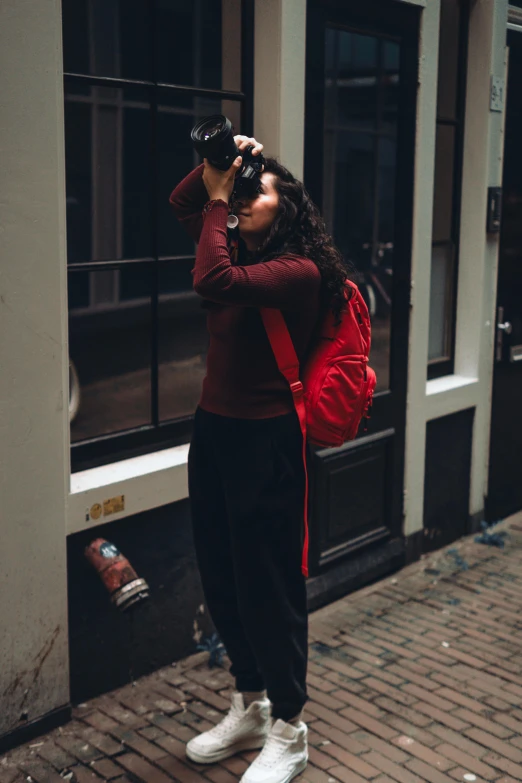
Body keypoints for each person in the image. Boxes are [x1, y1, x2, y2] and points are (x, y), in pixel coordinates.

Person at [169, 135, 348, 783]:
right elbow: (183, 199)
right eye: (241, 191)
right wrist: (222, 164)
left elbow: (209, 275)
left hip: (267, 442)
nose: (241, 199)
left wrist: (222, 199)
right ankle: (249, 702)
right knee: (221, 574)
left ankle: (290, 726)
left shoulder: (297, 271)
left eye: (258, 190)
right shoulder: (234, 242)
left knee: (267, 586)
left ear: (289, 208)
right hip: (213, 431)